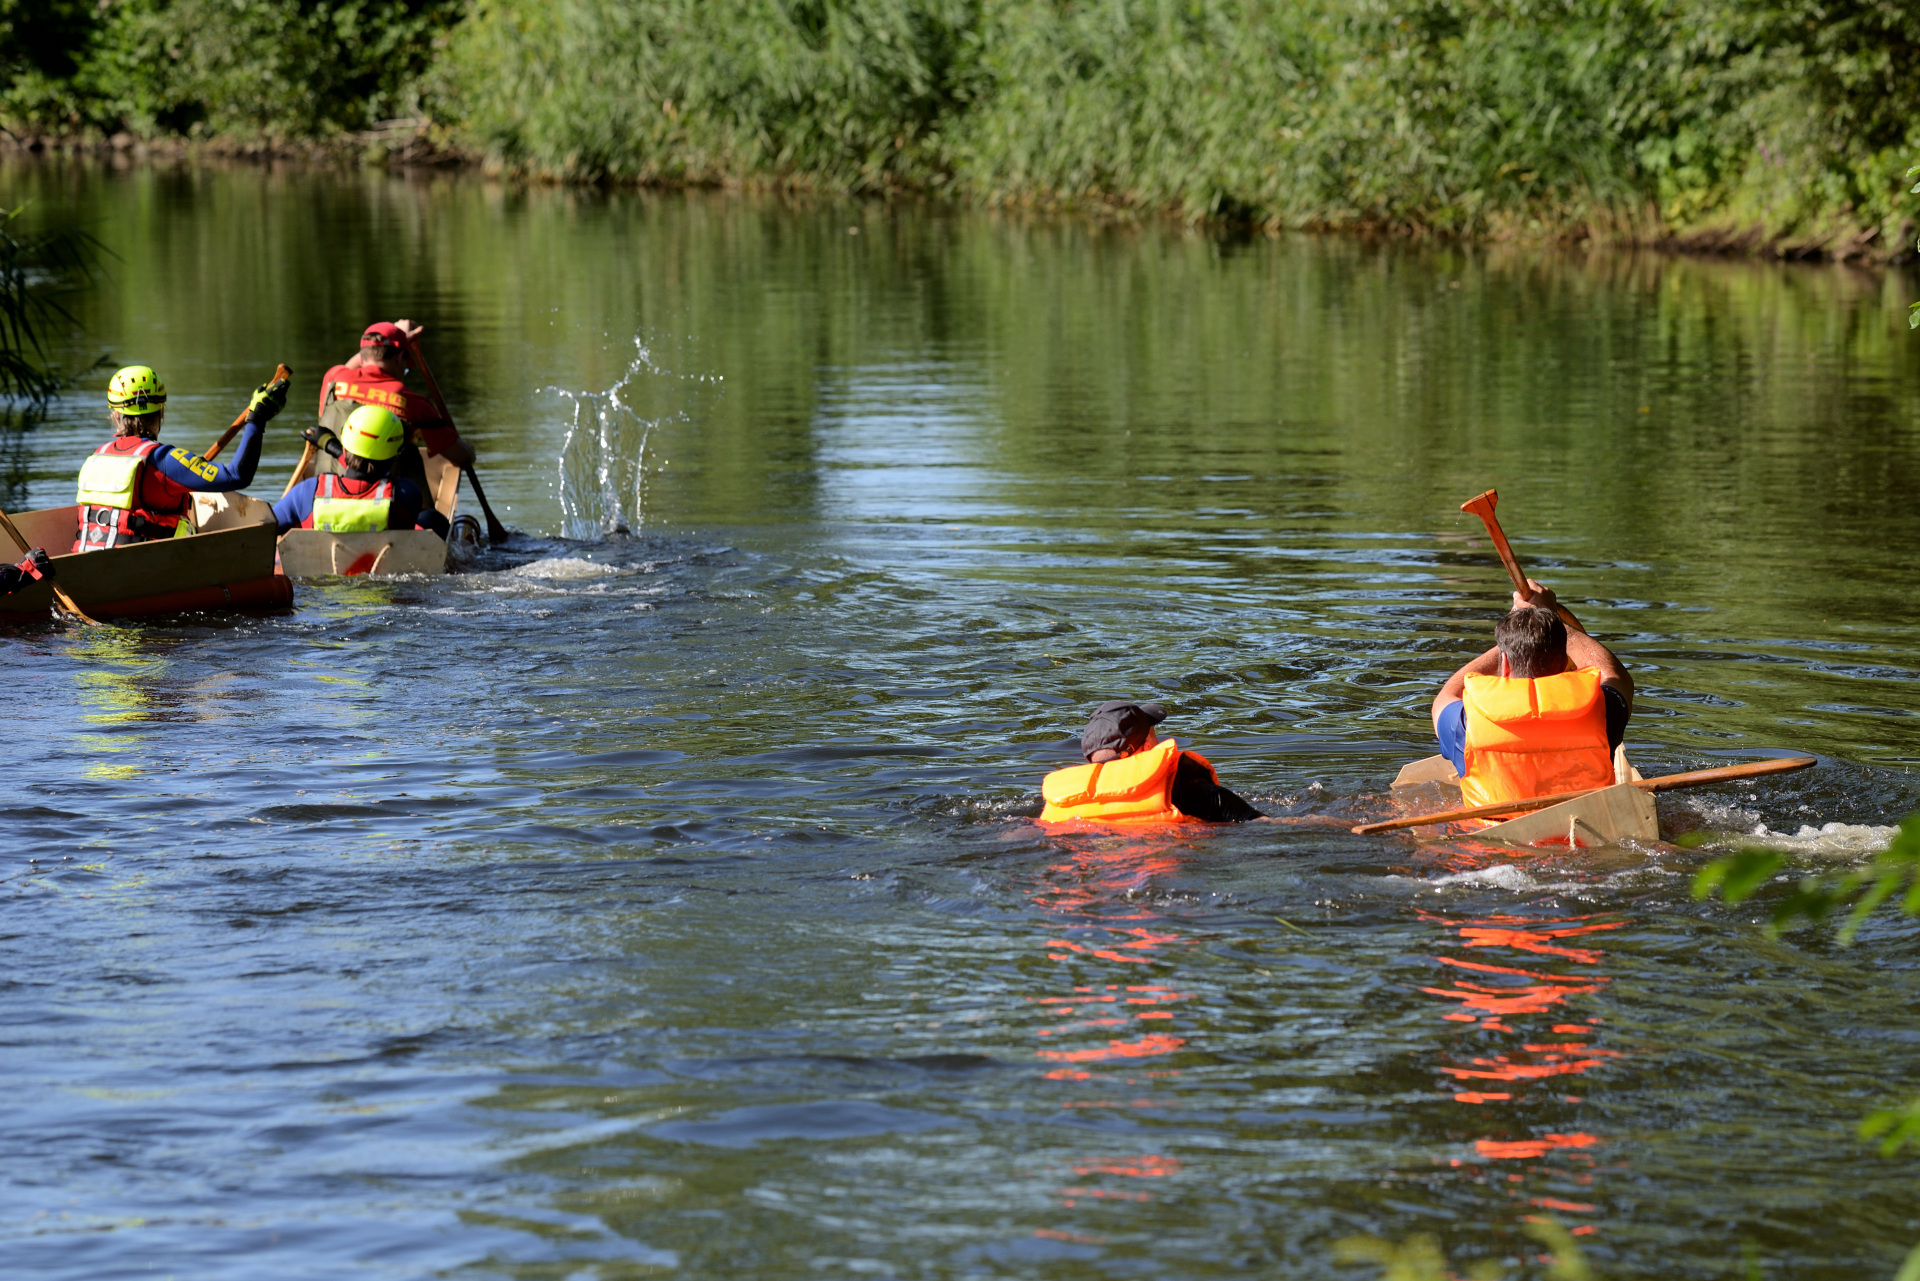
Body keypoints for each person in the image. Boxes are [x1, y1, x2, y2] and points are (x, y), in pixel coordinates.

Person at [1430, 580, 1636, 809]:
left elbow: (1445, 696)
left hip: (1490, 840)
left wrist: (1511, 640)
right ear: (1564, 663)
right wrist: (1549, 616)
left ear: (1504, 663)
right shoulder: (1602, 711)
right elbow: (1616, 676)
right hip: (1582, 834)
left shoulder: (1465, 722)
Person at [74, 365, 287, 552]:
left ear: (116, 415)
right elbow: (238, 475)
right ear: (161, 412)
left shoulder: (95, 458)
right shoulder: (165, 461)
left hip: (87, 561)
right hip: (138, 572)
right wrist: (256, 420)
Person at [1040, 700, 1261, 824]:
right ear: (1146, 745)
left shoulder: (1066, 803)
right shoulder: (1190, 789)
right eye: (1154, 735)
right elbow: (1263, 827)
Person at [312, 320, 474, 482]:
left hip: (325, 495)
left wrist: (398, 334)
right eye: (406, 365)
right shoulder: (410, 401)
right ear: (400, 359)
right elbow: (462, 457)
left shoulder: (334, 380)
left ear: (362, 358)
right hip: (387, 502)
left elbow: (351, 366)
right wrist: (469, 450)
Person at [273, 405, 451, 537]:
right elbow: (375, 476)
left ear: (345, 446)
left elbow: (266, 530)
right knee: (432, 518)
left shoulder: (306, 492)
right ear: (396, 453)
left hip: (320, 584)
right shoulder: (406, 493)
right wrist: (334, 448)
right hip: (387, 581)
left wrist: (332, 447)